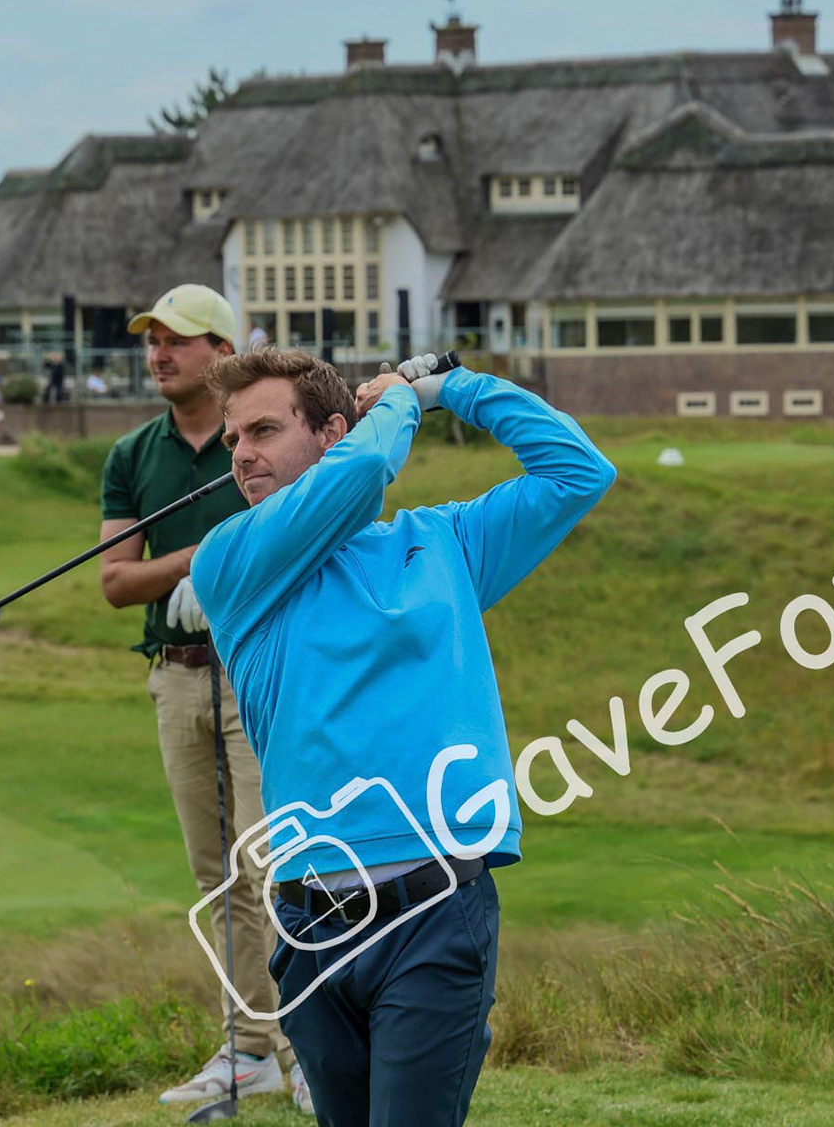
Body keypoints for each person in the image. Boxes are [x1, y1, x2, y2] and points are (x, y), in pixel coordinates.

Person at [190, 350, 615, 1126]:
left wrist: (452, 388)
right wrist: (401, 404)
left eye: (263, 430)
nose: (242, 453)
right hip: (310, 924)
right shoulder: (233, 561)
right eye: (232, 439)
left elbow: (577, 470)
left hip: (434, 910)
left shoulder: (441, 543)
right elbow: (359, 480)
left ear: (331, 431)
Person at [97, 285, 311, 1113]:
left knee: (274, 859)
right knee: (215, 875)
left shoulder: (259, 438)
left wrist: (211, 566)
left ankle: (305, 1049)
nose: (158, 355)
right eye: (150, 341)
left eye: (175, 341)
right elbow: (116, 582)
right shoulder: (133, 455)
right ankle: (247, 1046)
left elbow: (299, 536)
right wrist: (199, 560)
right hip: (175, 675)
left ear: (219, 351)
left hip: (258, 668)